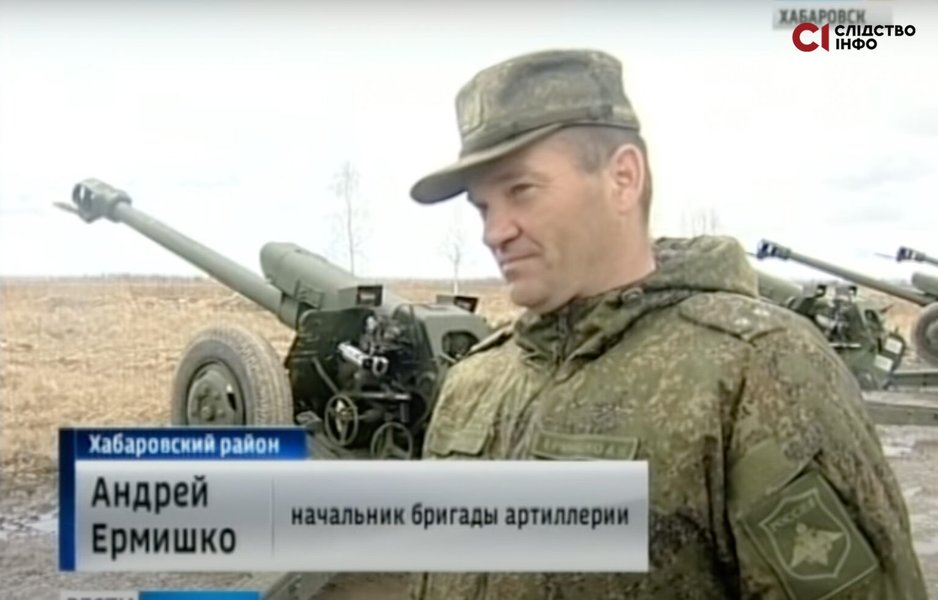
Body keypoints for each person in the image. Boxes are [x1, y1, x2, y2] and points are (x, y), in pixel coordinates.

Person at [405, 48, 928, 599]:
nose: (495, 232)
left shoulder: (756, 371)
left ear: (623, 178)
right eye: (483, 207)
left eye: (521, 191)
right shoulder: (473, 384)